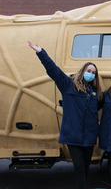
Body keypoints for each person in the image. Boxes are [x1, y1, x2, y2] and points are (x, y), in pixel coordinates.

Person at [28, 41, 102, 189]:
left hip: (89, 136)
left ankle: (84, 185)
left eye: (93, 73)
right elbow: (53, 70)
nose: (91, 74)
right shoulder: (68, 84)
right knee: (79, 166)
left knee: (86, 164)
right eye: (89, 70)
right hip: (73, 135)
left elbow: (96, 110)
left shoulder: (95, 93)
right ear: (82, 71)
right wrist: (41, 52)